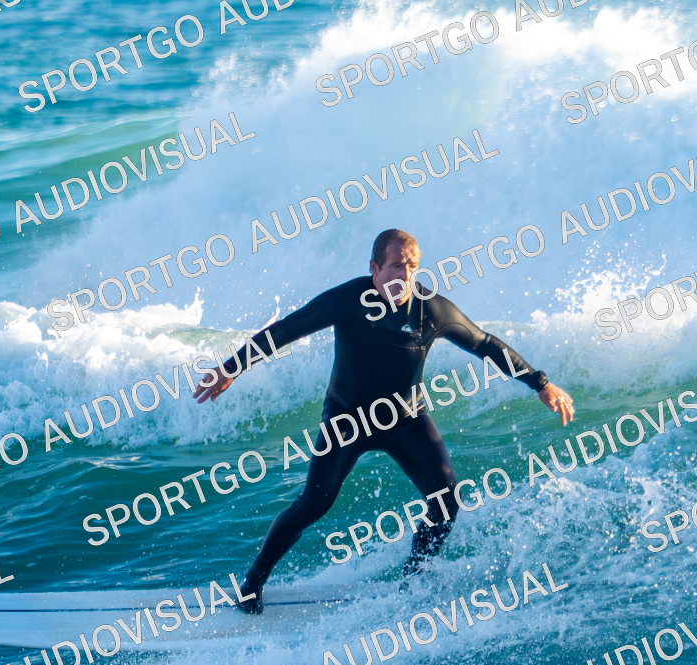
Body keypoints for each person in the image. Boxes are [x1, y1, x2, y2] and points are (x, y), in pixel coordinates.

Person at [195, 228, 575, 612]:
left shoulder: (431, 310)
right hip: (347, 419)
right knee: (314, 503)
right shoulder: (350, 299)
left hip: (405, 419)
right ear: (374, 268)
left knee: (446, 499)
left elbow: (485, 343)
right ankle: (253, 581)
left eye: (411, 266)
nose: (404, 275)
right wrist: (231, 368)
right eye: (395, 266)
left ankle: (414, 580)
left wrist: (540, 383)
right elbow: (288, 329)